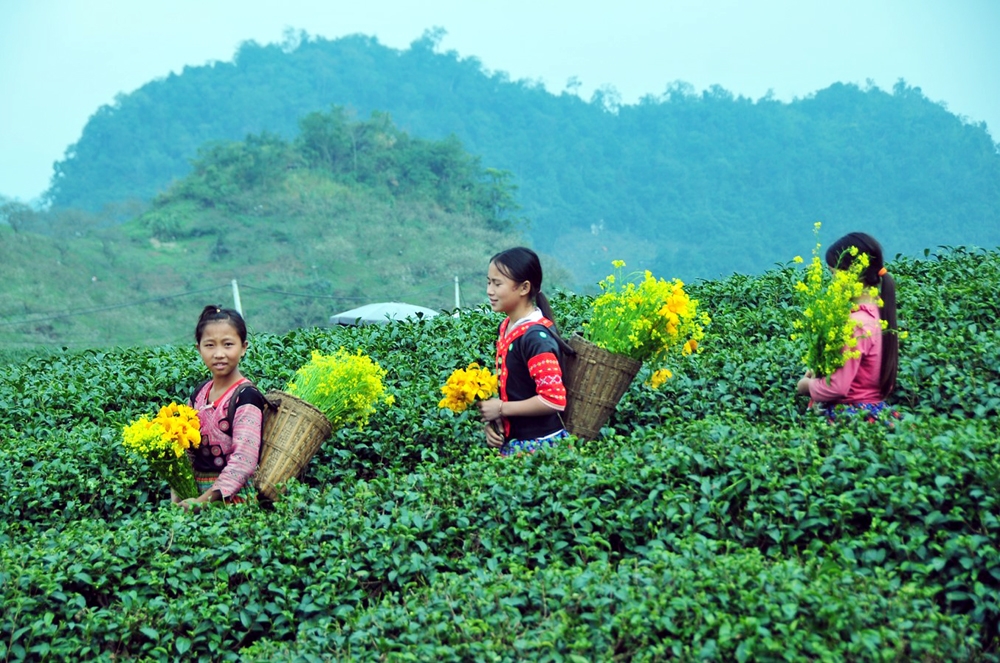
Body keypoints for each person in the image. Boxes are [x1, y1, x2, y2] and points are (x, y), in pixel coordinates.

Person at [478, 247, 575, 456]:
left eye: (497, 284)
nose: (489, 291)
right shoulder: (506, 327)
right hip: (515, 443)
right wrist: (496, 423)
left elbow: (553, 399)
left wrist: (502, 409)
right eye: (488, 282)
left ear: (524, 288)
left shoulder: (535, 338)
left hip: (541, 448)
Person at [796, 232, 900, 425]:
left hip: (851, 415)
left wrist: (807, 386)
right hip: (876, 410)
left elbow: (837, 387)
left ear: (854, 273)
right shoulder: (877, 313)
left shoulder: (856, 324)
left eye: (834, 274)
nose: (832, 282)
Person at [174, 305, 266, 510]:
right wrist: (178, 498)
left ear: (243, 347)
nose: (218, 354)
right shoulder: (198, 393)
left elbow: (244, 460)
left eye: (228, 344)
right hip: (194, 495)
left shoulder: (246, 396)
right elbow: (185, 450)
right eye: (209, 345)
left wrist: (202, 502)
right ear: (198, 348)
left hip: (233, 501)